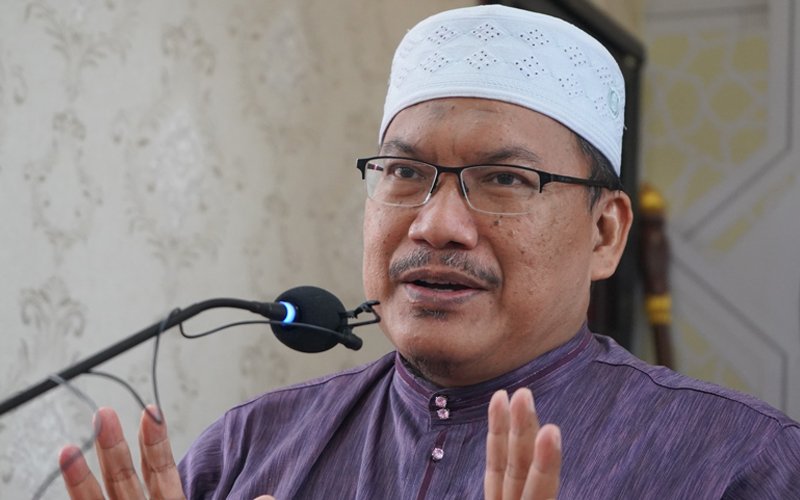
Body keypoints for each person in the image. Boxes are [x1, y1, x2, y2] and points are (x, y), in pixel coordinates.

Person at [59, 5, 800, 499]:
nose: (437, 225)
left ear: (605, 233)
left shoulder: (742, 464)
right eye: (405, 173)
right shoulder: (248, 450)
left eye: (505, 179)